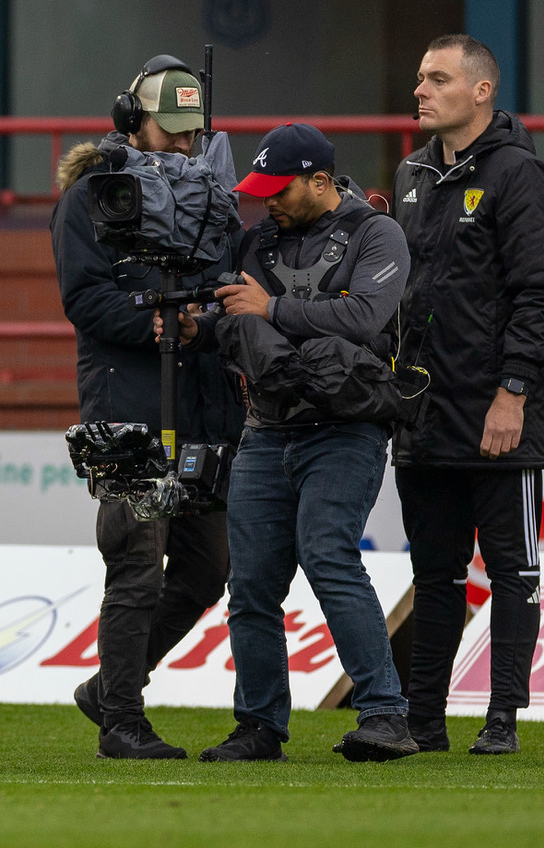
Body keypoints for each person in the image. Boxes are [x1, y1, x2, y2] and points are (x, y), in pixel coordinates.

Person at [172, 123, 417, 762]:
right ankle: (259, 726)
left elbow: (365, 318)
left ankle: (386, 716)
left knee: (328, 555)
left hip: (347, 427)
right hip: (267, 428)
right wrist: (199, 329)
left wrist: (271, 313)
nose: (268, 202)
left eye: (280, 190)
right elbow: (234, 320)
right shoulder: (256, 241)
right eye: (261, 191)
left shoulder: (376, 232)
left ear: (320, 180)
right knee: (251, 583)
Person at [49, 56, 244, 760]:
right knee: (135, 560)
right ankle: (123, 720)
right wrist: (157, 320)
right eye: (174, 131)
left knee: (206, 567)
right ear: (133, 122)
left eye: (196, 132)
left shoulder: (213, 199)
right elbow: (85, 301)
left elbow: (233, 292)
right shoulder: (90, 197)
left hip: (200, 404)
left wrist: (203, 324)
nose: (187, 144)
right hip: (123, 406)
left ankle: (110, 688)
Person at [392, 35, 544, 755]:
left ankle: (502, 720)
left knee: (512, 569)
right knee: (434, 574)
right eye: (421, 79)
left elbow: (536, 293)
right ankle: (423, 721)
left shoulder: (520, 174)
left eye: (438, 79)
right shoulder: (411, 174)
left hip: (499, 415)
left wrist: (512, 392)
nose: (420, 90)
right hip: (424, 415)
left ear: (482, 90)